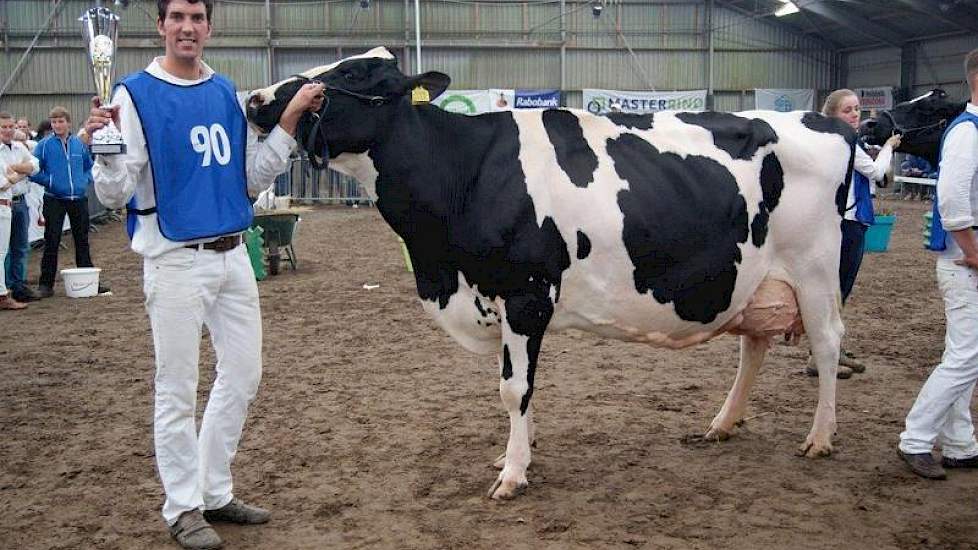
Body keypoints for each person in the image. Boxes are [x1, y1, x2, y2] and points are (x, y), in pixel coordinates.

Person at [85, 1, 324, 548]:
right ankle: (183, 506)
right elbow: (115, 193)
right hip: (173, 258)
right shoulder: (133, 95)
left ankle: (214, 489)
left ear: (209, 27)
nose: (187, 27)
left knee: (243, 375)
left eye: (196, 17)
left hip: (234, 252)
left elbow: (250, 180)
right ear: (162, 26)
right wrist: (104, 152)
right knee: (176, 388)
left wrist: (287, 124)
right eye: (177, 17)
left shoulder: (225, 93)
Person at [898, 49, 978, 480]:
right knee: (967, 356)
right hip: (965, 258)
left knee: (967, 354)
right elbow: (951, 199)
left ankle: (961, 443)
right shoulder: (968, 133)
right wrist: (972, 250)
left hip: (967, 255)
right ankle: (915, 438)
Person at [806, 89, 901, 379]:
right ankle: (822, 354)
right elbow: (875, 171)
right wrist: (889, 148)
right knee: (839, 288)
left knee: (836, 289)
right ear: (833, 114)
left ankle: (828, 350)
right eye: (847, 110)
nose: (855, 114)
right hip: (848, 221)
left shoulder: (834, 140)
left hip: (839, 219)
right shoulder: (845, 142)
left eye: (857, 109)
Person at [30, 106, 107, 298]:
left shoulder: (78, 144)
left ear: (68, 123)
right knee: (52, 240)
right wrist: (49, 181)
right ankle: (46, 285)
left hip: (78, 198)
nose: (57, 125)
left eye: (60, 121)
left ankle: (89, 281)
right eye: (54, 122)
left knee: (82, 240)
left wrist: (84, 181)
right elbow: (33, 169)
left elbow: (90, 165)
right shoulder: (44, 145)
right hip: (54, 199)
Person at [0, 112, 40, 310]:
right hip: (4, 202)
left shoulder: (19, 147)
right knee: (3, 250)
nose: (8, 130)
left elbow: (35, 165)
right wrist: (18, 175)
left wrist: (17, 168)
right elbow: (3, 182)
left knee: (20, 247)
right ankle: (4, 288)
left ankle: (18, 285)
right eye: (4, 127)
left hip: (19, 201)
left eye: (10, 126)